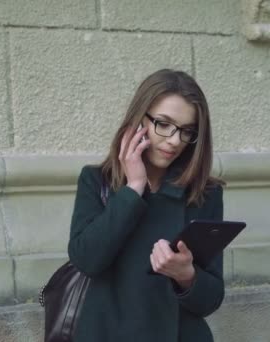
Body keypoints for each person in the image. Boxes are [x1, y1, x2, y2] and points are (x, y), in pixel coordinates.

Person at [67, 69, 225, 342]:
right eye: (163, 124)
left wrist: (186, 275)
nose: (175, 140)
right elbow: (86, 260)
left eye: (187, 131)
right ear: (139, 119)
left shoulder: (204, 193)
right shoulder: (97, 182)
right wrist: (133, 188)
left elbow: (210, 301)